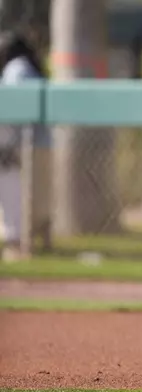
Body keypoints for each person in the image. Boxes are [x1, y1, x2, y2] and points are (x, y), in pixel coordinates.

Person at [0, 30, 48, 262]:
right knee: (35, 200)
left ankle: (19, 246)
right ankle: (32, 243)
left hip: (22, 146)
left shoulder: (16, 68)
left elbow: (16, 112)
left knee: (20, 199)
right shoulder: (27, 66)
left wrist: (9, 146)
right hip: (35, 144)